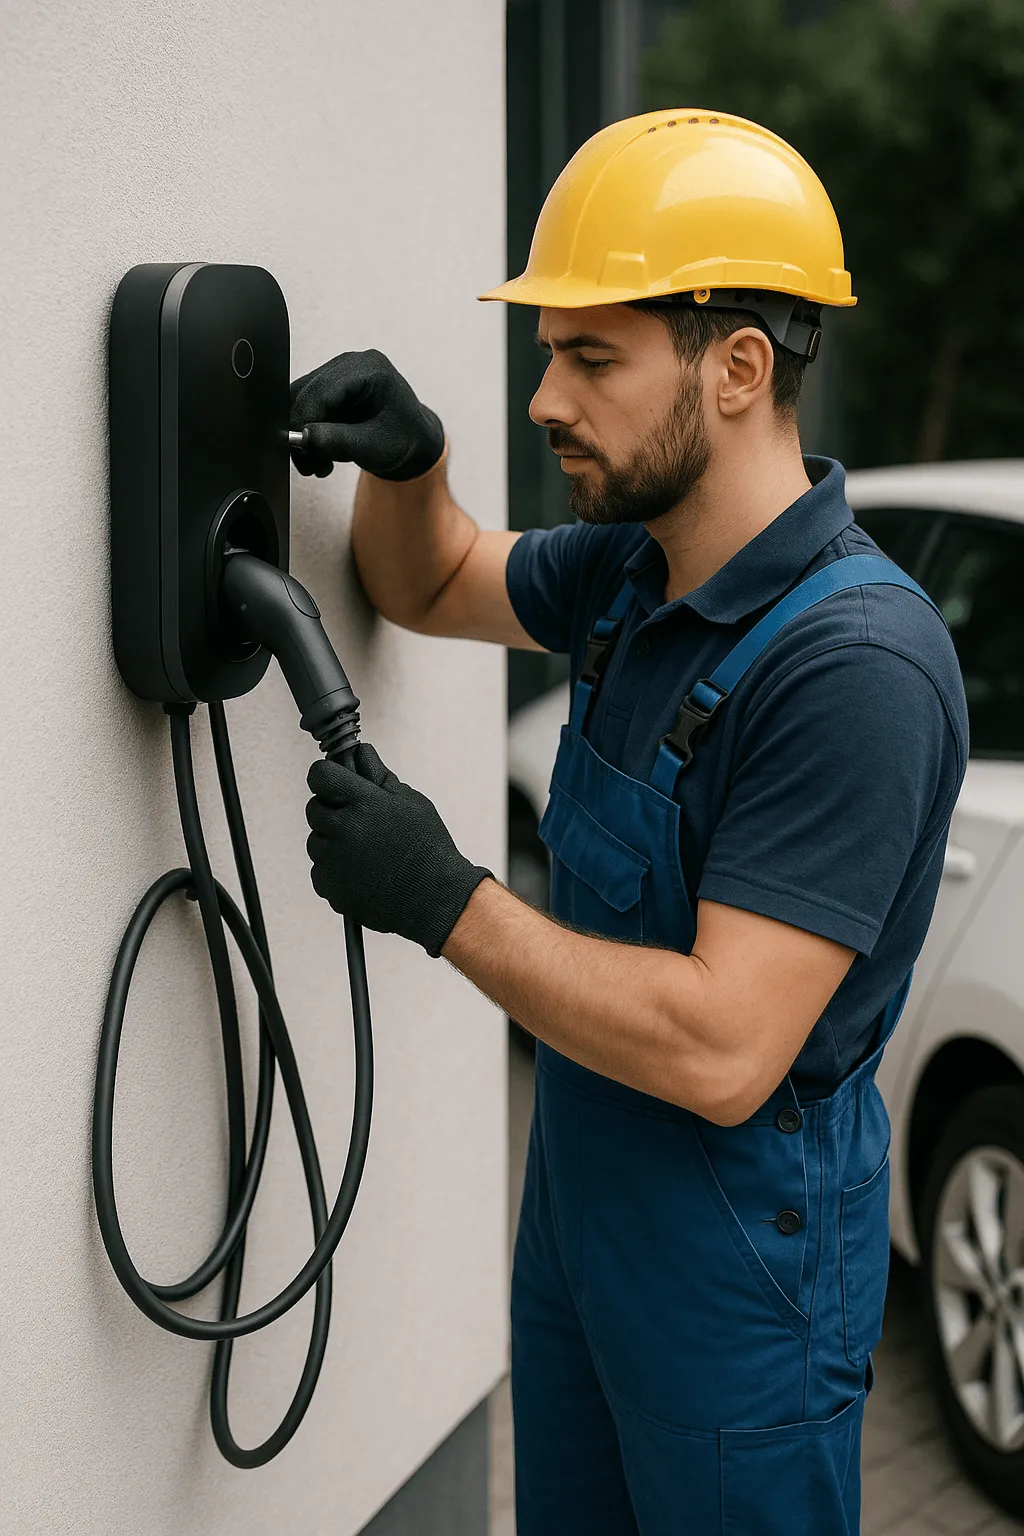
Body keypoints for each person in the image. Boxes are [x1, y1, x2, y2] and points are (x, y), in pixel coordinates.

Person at [293, 111, 968, 1535]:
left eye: (592, 359)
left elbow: (724, 1048)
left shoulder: (853, 667)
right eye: (549, 352)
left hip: (741, 1278)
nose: (546, 398)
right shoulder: (632, 568)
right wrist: (411, 468)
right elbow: (432, 582)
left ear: (738, 369)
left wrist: (445, 897)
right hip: (584, 1215)